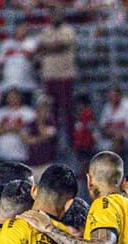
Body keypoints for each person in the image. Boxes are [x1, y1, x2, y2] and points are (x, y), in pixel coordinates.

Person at [37, 9, 76, 144]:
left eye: (57, 14)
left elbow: (60, 45)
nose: (55, 17)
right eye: (53, 14)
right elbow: (40, 48)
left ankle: (71, 141)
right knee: (50, 111)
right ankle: (52, 142)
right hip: (49, 76)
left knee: (67, 110)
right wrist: (51, 47)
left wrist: (48, 47)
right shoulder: (45, 31)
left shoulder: (68, 30)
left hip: (64, 76)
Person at [0, 89, 37, 164]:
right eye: (10, 96)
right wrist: (14, 129)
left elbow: (31, 128)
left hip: (21, 154)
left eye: (15, 95)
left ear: (20, 97)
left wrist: (6, 128)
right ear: (6, 98)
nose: (13, 98)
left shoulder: (29, 112)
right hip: (1, 155)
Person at [0, 22, 38, 98]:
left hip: (27, 84)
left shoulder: (32, 43)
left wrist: (26, 53)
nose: (23, 30)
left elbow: (36, 61)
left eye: (25, 29)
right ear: (16, 29)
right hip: (8, 84)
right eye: (21, 28)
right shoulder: (6, 44)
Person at [98, 86, 128, 156]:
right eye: (111, 96)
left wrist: (120, 132)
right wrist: (112, 132)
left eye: (115, 96)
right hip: (111, 136)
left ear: (120, 96)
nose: (113, 98)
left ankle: (119, 165)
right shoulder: (107, 107)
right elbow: (103, 126)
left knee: (119, 138)